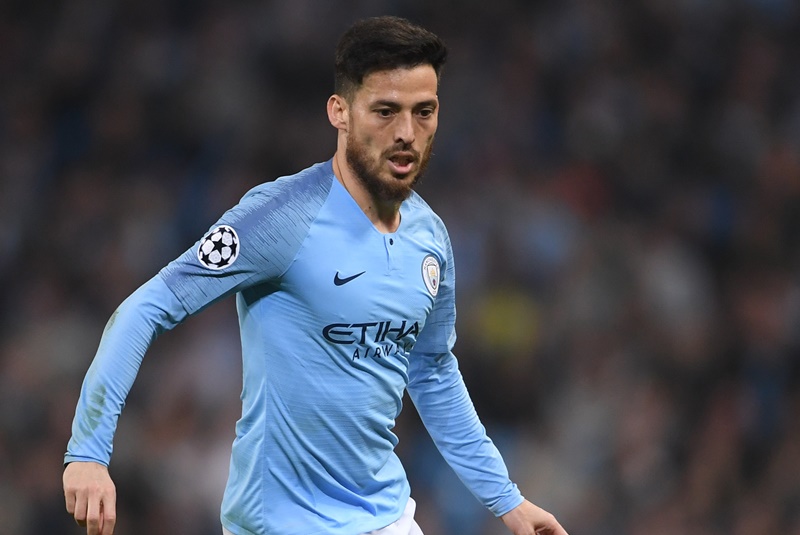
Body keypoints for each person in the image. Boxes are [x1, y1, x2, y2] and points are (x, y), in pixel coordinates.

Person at [63, 15, 569, 535]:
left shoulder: (430, 237)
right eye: (385, 111)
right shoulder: (279, 217)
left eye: (424, 112)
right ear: (339, 112)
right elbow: (146, 309)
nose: (406, 133)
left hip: (388, 517)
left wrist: (507, 500)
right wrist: (88, 452)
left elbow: (433, 370)